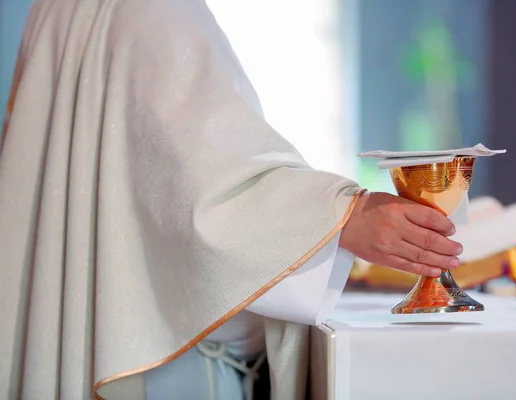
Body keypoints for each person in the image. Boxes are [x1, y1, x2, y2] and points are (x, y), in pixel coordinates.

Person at [0, 0, 463, 399]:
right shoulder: (157, 11)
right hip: (168, 355)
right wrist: (347, 215)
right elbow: (204, 191)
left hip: (108, 328)